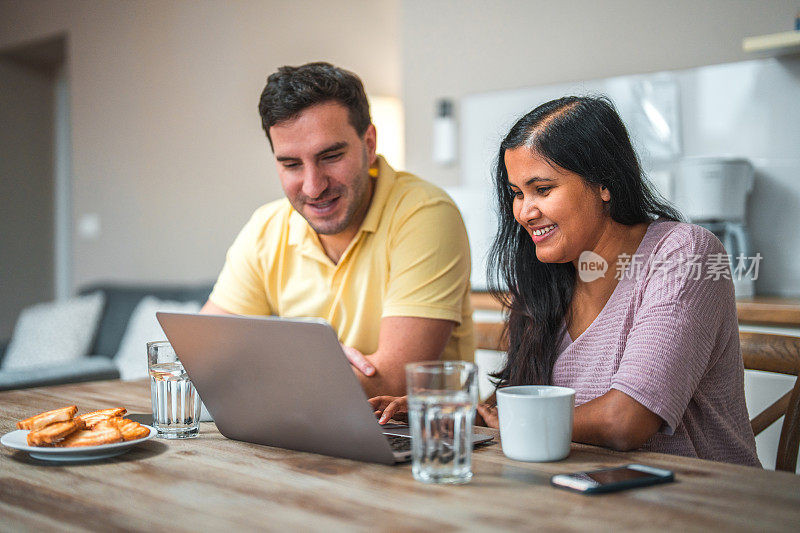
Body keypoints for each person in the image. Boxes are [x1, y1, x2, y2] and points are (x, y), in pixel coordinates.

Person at [371, 96, 760, 466]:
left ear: (604, 183)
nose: (524, 212)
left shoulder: (683, 252)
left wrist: (511, 421)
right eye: (516, 194)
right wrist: (450, 411)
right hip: (583, 499)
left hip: (700, 504)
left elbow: (625, 422)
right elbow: (517, 401)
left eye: (542, 189)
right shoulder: (548, 278)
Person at [202, 62, 473, 398]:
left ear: (369, 144)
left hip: (423, 441)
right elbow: (204, 359)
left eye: (330, 156)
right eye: (291, 164)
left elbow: (391, 381)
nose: (314, 187)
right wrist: (315, 368)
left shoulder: (425, 213)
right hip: (305, 433)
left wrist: (268, 366)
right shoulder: (267, 227)